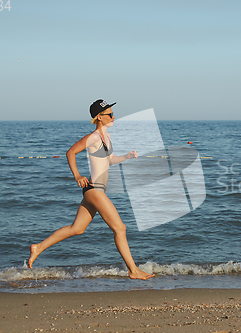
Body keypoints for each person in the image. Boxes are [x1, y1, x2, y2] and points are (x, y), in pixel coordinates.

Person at [28, 99, 154, 280]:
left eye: (112, 113)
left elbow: (109, 160)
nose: (113, 116)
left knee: (77, 229)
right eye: (109, 114)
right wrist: (77, 175)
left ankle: (38, 247)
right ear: (99, 118)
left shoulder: (106, 137)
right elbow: (70, 152)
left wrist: (127, 156)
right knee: (120, 228)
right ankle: (133, 270)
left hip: (94, 191)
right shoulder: (94, 137)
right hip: (94, 190)